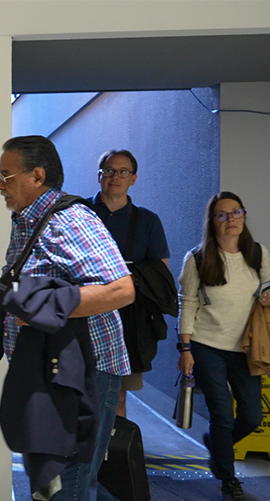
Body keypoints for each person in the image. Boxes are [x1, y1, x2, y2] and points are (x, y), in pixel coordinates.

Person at [0, 135, 152, 501]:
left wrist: (44, 306)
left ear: (37, 176)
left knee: (69, 480)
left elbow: (121, 290)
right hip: (48, 370)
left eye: (6, 175)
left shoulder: (72, 221)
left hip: (86, 371)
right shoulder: (28, 220)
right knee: (55, 474)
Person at [177, 192, 270, 501]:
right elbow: (187, 302)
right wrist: (185, 348)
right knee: (222, 414)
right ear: (212, 221)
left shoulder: (257, 254)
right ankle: (230, 483)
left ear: (243, 216)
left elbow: (262, 295)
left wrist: (269, 300)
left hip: (245, 348)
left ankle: (218, 446)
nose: (231, 220)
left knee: (253, 416)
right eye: (222, 215)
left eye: (236, 212)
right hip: (207, 346)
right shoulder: (198, 258)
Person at [88, 150, 174, 417]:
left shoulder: (148, 221)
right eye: (109, 170)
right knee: (78, 393)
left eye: (123, 172)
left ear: (133, 178)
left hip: (128, 321)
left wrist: (126, 277)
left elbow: (161, 271)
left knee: (117, 396)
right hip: (83, 313)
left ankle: (111, 444)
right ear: (99, 175)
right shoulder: (79, 213)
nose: (115, 177)